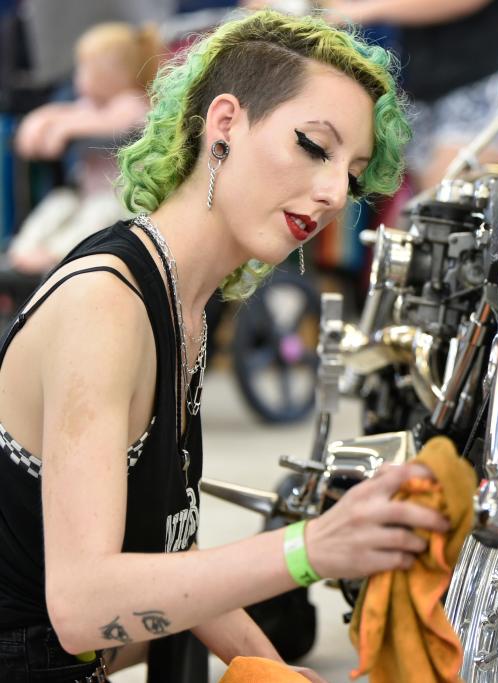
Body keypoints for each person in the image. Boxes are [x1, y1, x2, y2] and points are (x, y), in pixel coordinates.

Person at [0, 10, 448, 682]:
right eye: (312, 145)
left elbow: (173, 554)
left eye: (352, 174)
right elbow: (82, 604)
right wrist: (311, 547)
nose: (332, 193)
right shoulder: (108, 305)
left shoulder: (183, 302)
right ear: (225, 124)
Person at [10, 22, 162, 274]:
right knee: (58, 203)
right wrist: (40, 122)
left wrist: (63, 128)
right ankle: (24, 249)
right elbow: (66, 114)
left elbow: (111, 125)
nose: (77, 77)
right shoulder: (89, 106)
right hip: (85, 195)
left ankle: (57, 254)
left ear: (111, 74)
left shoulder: (133, 103)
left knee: (99, 213)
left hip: (124, 202)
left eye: (85, 69)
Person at [317, 0, 498, 190]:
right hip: (421, 87)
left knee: (448, 196)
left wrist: (361, 11)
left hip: (475, 82)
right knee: (426, 207)